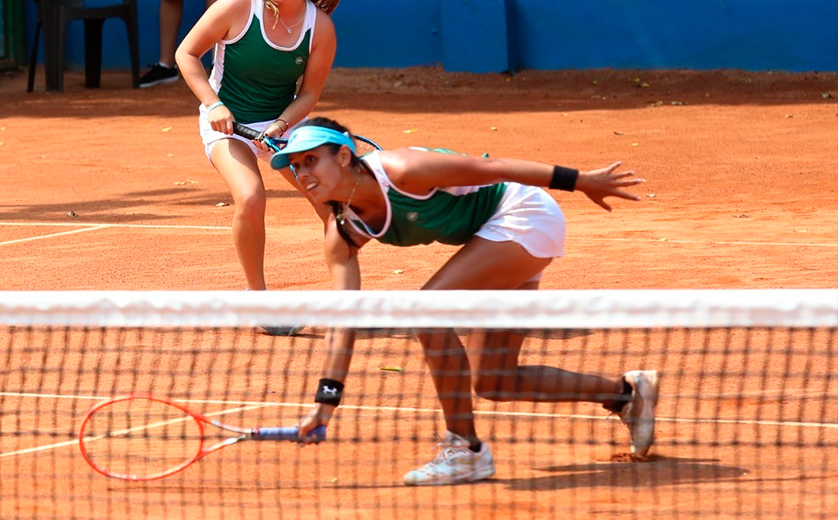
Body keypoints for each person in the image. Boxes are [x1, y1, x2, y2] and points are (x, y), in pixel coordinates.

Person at [277, 117, 659, 485]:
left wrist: (579, 181)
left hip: (522, 216)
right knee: (496, 380)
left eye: (311, 160)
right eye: (295, 165)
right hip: (493, 241)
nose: (303, 173)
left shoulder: (403, 169)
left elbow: (493, 168)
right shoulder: (342, 231)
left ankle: (465, 448)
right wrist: (325, 402)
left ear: (343, 156)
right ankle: (625, 395)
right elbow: (344, 320)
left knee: (426, 312)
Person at [175, 0, 345, 333]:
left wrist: (281, 126)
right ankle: (258, 299)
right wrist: (214, 104)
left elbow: (309, 94)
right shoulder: (237, 5)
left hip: (283, 123)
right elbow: (187, 53)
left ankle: (344, 300)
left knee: (334, 208)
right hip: (227, 123)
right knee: (250, 196)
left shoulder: (319, 28)